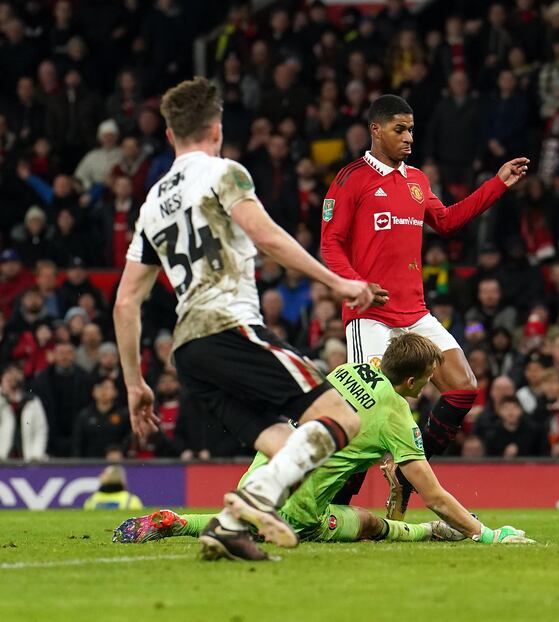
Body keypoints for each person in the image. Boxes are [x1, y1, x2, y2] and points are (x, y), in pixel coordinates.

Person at [114, 78, 372, 562]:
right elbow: (268, 236)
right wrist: (336, 282)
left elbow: (126, 302)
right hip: (229, 325)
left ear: (170, 135)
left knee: (286, 446)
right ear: (216, 130)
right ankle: (248, 507)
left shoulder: (151, 203)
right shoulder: (224, 173)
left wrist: (135, 384)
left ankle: (228, 529)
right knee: (341, 417)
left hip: (188, 351)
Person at [319, 94, 529, 518]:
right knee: (370, 408)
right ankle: (335, 499)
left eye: (412, 129)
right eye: (400, 129)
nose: (409, 137)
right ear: (376, 130)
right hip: (370, 316)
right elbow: (330, 245)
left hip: (415, 312)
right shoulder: (350, 179)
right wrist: (358, 285)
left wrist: (497, 184)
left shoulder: (416, 180)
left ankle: (405, 474)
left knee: (464, 386)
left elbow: (448, 221)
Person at [113, 333, 531, 546]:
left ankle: (179, 520)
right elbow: (433, 492)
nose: (429, 385)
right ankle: (438, 533)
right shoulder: (397, 412)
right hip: (299, 507)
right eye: (426, 378)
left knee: (253, 514)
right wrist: (487, 533)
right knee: (366, 524)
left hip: (261, 470)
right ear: (408, 379)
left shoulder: (348, 370)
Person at [0, 365, 48, 461]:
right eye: (9, 375)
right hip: (3, 459)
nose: (12, 378)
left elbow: (40, 430)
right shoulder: (2, 402)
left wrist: (36, 454)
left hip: (27, 457)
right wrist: (4, 393)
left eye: (15, 375)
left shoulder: (32, 401)